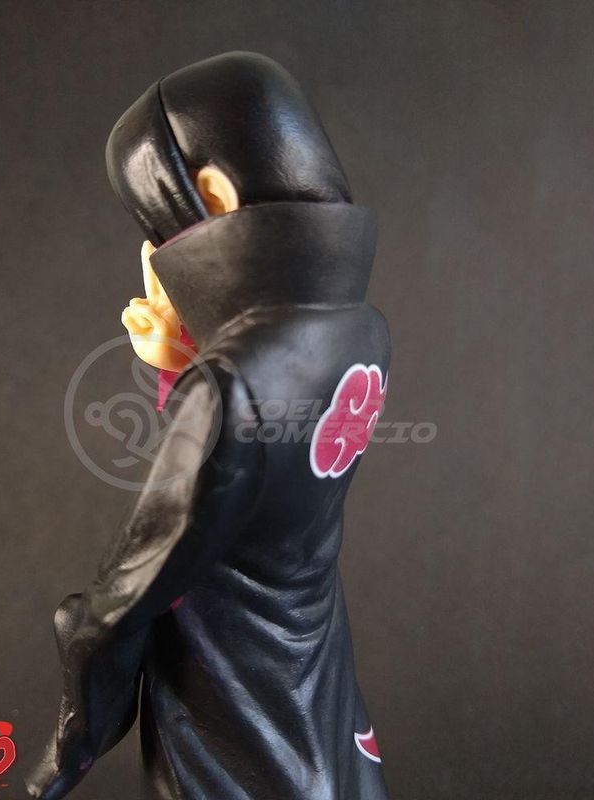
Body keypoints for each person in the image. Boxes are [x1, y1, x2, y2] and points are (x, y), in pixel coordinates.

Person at [26, 51, 391, 800]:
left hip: (230, 681)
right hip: (309, 648)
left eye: (159, 233)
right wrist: (185, 361)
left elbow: (128, 599)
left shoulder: (230, 385)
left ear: (214, 197)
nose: (161, 260)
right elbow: (252, 474)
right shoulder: (363, 328)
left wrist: (72, 739)